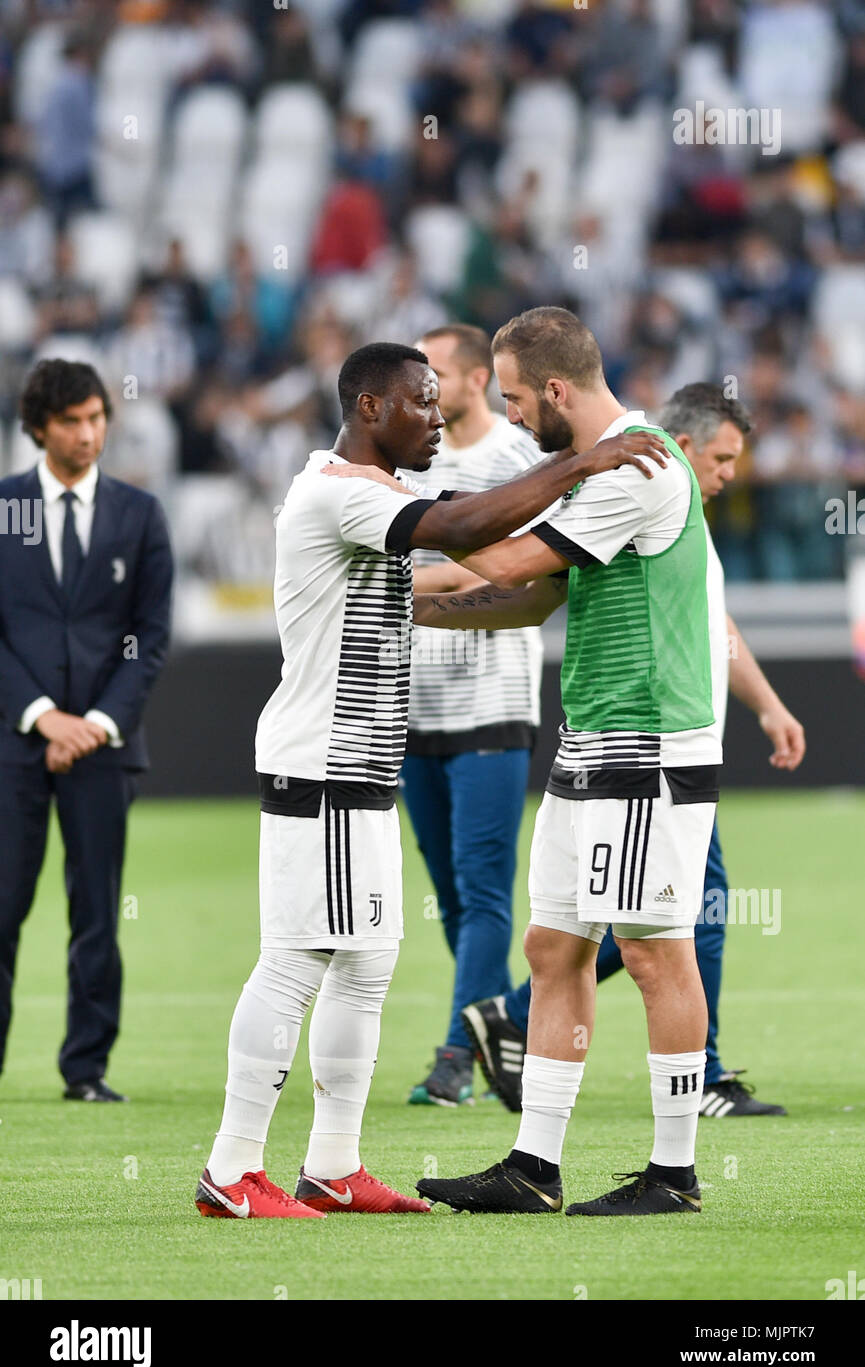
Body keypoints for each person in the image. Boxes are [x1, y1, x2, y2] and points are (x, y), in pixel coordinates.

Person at [195, 340, 668, 1219]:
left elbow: (466, 529)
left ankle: (333, 1165)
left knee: (368, 963)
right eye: (422, 402)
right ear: (370, 407)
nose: (439, 418)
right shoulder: (336, 491)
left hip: (366, 766)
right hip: (324, 761)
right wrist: (581, 461)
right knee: (295, 961)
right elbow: (461, 529)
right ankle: (230, 1171)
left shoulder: (379, 492)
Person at [412, 305, 723, 1216]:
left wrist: (390, 557)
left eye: (513, 399)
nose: (510, 418)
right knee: (553, 946)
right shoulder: (594, 473)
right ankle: (533, 1165)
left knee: (653, 951)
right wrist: (411, 610)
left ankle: (674, 1174)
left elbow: (504, 565)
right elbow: (528, 601)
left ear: (553, 389)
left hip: (649, 735)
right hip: (593, 732)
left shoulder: (640, 461)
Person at [465, 383, 806, 1118]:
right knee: (669, 924)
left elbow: (717, 630)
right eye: (720, 457)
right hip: (653, 746)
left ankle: (518, 1022)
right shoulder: (648, 491)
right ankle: (697, 1083)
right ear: (680, 447)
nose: (727, 474)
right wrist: (413, 559)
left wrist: (767, 704)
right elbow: (516, 576)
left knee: (642, 923)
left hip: (671, 747)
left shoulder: (685, 524)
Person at [0, 359, 174, 1101]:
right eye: (72, 420)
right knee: (3, 907)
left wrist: (93, 725)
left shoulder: (140, 513)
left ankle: (86, 1070)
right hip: (13, 744)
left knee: (97, 911)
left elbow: (152, 635)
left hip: (104, 749)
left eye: (98, 417)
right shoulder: (6, 509)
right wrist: (44, 718)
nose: (88, 432)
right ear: (39, 426)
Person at [402, 324, 544, 1107]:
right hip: (411, 706)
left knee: (483, 888)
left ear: (478, 378)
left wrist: (411, 582)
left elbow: (511, 566)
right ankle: (498, 1042)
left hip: (491, 702)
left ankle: (459, 1052)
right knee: (451, 893)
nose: (423, 387)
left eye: (436, 373)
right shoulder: (402, 455)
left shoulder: (513, 462)